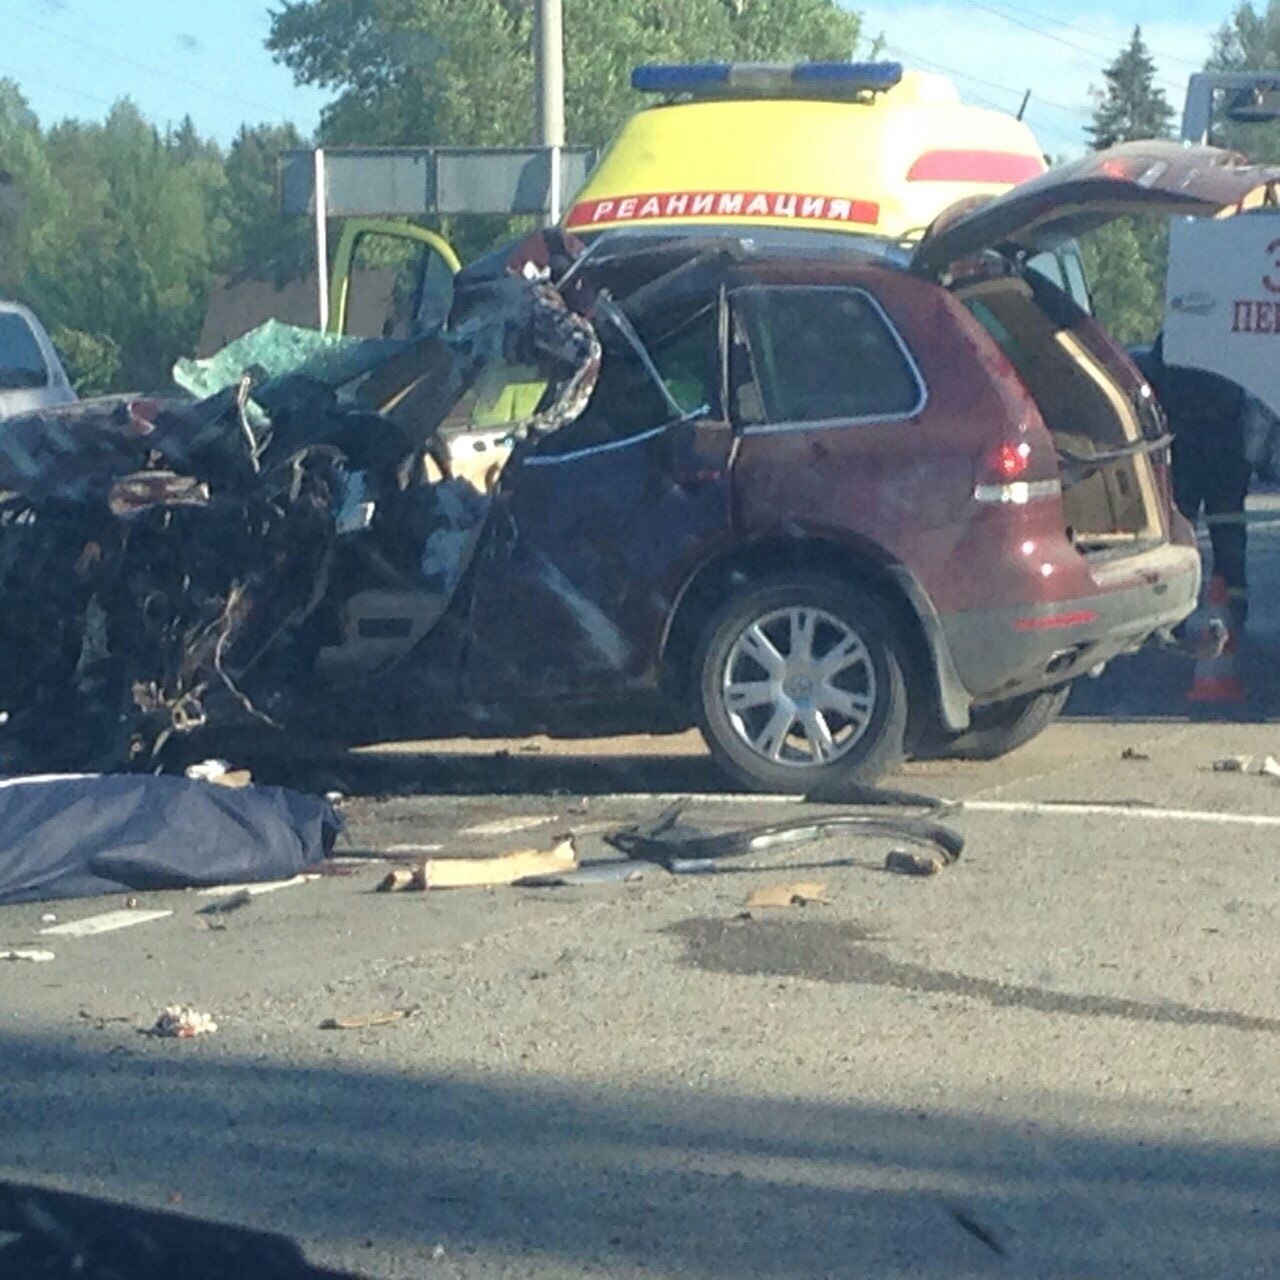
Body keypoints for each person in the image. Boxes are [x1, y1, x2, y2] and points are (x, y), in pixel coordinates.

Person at [1139, 333, 1250, 631]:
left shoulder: (1174, 341)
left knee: (1181, 533)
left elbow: (1151, 387)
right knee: (1226, 533)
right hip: (1225, 453)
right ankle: (1232, 608)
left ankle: (1176, 614)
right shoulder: (1232, 337)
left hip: (1187, 450)